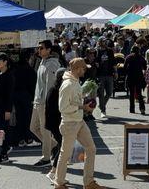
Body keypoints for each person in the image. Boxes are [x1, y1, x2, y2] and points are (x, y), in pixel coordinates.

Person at [55, 58, 103, 189]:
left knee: (91, 148)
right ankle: (59, 183)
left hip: (78, 121)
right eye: (83, 68)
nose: (85, 70)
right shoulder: (68, 84)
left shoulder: (75, 81)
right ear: (76, 69)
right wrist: (83, 107)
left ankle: (88, 182)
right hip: (70, 123)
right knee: (65, 154)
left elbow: (75, 100)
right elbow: (62, 107)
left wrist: (85, 99)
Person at [30, 40, 61, 167]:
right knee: (33, 127)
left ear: (49, 50)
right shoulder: (42, 61)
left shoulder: (52, 64)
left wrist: (48, 104)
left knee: (45, 130)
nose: (39, 50)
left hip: (44, 102)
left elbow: (50, 87)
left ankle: (46, 158)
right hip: (37, 101)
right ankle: (54, 145)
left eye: (41, 48)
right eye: (38, 48)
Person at [44, 68, 66, 185]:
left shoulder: (57, 89)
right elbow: (54, 110)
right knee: (63, 147)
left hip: (56, 123)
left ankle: (59, 175)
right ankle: (53, 172)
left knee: (62, 147)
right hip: (55, 124)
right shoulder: (54, 90)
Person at [13, 50, 37, 147]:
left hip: (16, 95)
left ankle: (21, 140)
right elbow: (33, 85)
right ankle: (29, 139)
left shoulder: (15, 69)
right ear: (28, 58)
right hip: (27, 96)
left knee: (19, 118)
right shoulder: (29, 69)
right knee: (28, 118)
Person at [96, 37, 117, 118]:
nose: (105, 42)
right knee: (101, 93)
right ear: (100, 42)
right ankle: (103, 110)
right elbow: (95, 61)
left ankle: (102, 105)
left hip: (109, 74)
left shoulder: (110, 51)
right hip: (100, 75)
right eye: (103, 41)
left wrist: (115, 72)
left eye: (105, 41)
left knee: (109, 92)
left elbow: (114, 62)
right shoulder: (97, 51)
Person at [124, 45, 147, 115]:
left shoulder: (128, 57)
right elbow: (145, 67)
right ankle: (142, 108)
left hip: (131, 77)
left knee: (131, 94)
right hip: (139, 77)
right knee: (139, 93)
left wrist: (127, 71)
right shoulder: (141, 58)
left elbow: (124, 67)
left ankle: (132, 109)